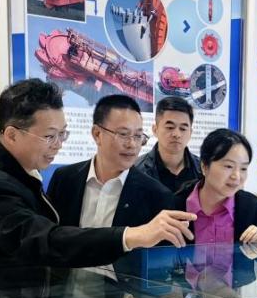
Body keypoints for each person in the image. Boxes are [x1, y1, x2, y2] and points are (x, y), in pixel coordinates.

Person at [0, 79, 193, 265]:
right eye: (50, 136)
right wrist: (130, 236)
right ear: (12, 134)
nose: (58, 144)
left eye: (62, 134)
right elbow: (46, 240)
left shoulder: (15, 169)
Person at [46, 94, 176, 231]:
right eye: (123, 134)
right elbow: (49, 235)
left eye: (138, 136)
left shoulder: (157, 195)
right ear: (97, 134)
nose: (132, 144)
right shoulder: (64, 179)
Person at [133, 96, 202, 191]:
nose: (177, 134)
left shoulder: (203, 170)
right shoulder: (137, 170)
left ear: (190, 133)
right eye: (170, 127)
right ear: (155, 130)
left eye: (183, 129)